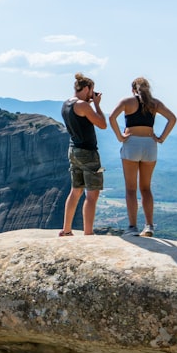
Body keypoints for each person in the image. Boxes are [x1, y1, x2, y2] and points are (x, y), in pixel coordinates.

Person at [108, 77, 177, 237]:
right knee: (146, 188)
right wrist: (161, 138)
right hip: (149, 145)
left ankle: (132, 227)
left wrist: (120, 136)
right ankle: (149, 226)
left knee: (130, 189)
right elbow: (172, 119)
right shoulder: (155, 103)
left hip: (131, 143)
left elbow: (112, 117)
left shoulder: (127, 101)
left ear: (133, 89)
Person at [59, 73, 107, 236]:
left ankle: (66, 230)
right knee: (92, 194)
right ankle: (88, 233)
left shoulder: (66, 104)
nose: (92, 95)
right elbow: (102, 124)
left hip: (73, 150)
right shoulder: (83, 106)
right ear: (87, 88)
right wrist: (97, 105)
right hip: (88, 152)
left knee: (75, 190)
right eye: (91, 91)